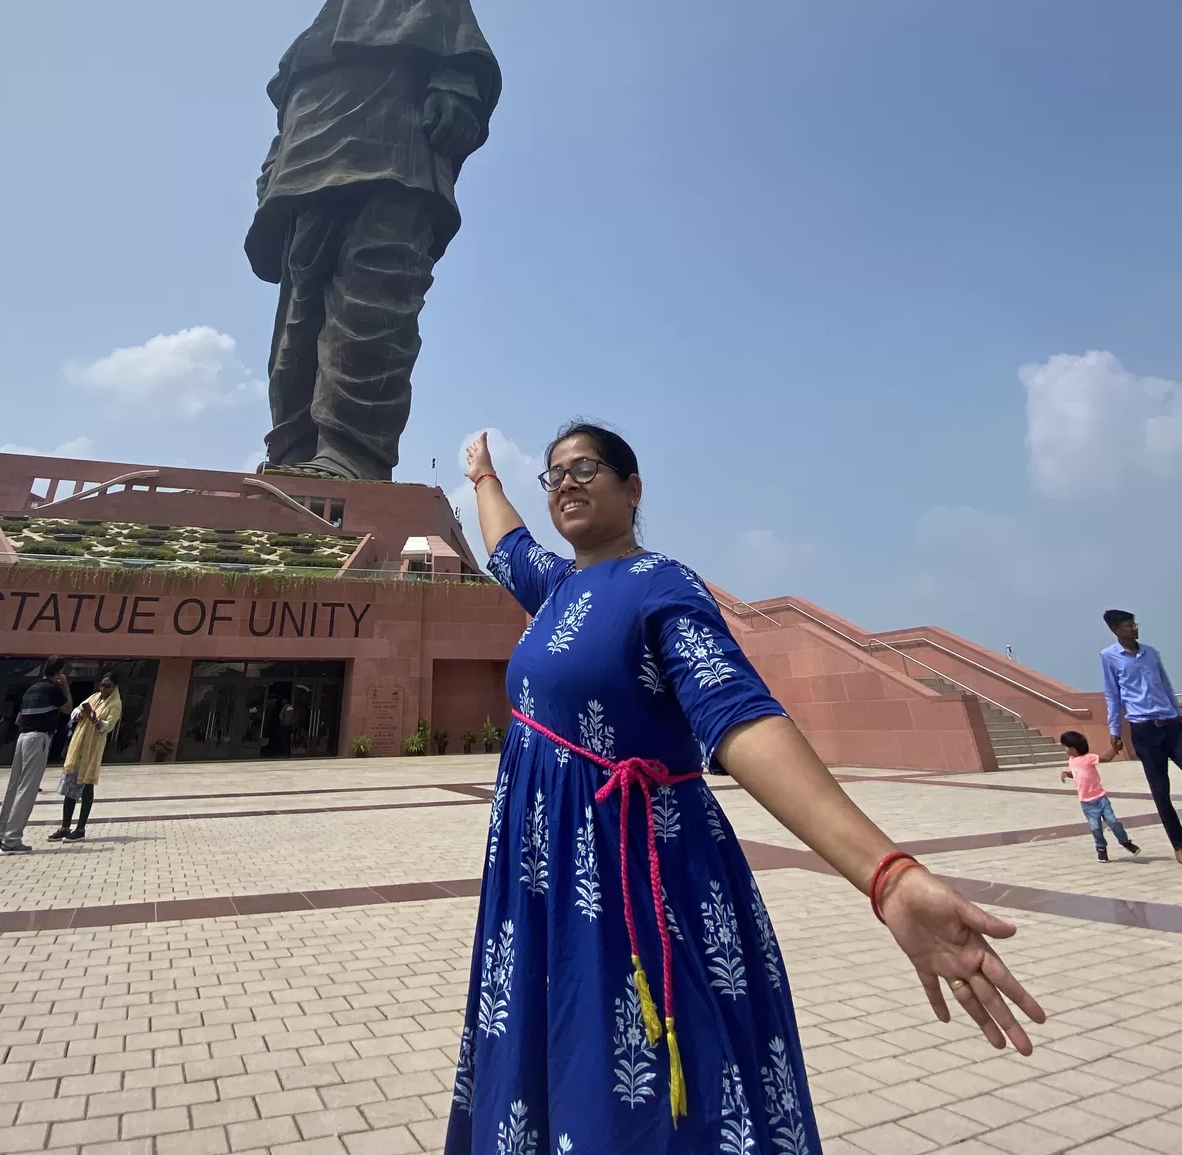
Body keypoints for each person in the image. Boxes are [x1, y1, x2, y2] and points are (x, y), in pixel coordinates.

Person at [448, 425, 1045, 1154]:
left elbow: (737, 714)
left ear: (632, 489)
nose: (567, 483)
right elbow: (504, 544)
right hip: (544, 883)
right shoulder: (559, 585)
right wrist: (483, 475)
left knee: (652, 1098)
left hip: (636, 884)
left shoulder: (660, 583)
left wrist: (884, 874)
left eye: (585, 468)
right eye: (554, 476)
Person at [245, 0, 501, 480]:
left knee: (374, 297)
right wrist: (273, 164)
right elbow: (290, 99)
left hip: (391, 149)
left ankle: (350, 454)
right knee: (298, 317)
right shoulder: (329, 5)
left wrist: (456, 86)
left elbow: (458, 46)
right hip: (309, 161)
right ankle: (294, 451)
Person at [1101, 608, 1182, 865]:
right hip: (1144, 731)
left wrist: (1178, 713)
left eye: (1134, 624)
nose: (1134, 628)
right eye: (1127, 625)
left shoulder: (1151, 652)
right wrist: (1114, 731)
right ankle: (1179, 844)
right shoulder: (1109, 657)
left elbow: (1166, 684)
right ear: (1116, 630)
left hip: (1172, 725)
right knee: (1161, 791)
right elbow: (1112, 696)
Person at [0, 657, 70, 854]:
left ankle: (0, 836)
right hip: (39, 737)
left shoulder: (32, 689)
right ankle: (12, 840)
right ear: (59, 672)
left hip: (23, 737)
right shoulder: (52, 689)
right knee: (27, 788)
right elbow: (67, 708)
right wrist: (65, 687)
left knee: (13, 786)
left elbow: (19, 720)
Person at [50, 672, 122, 841]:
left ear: (114, 687)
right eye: (102, 685)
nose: (103, 688)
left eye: (108, 686)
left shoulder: (116, 704)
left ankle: (80, 828)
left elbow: (108, 726)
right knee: (70, 785)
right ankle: (65, 826)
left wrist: (94, 719)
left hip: (93, 747)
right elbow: (76, 710)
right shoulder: (95, 697)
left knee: (86, 784)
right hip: (79, 743)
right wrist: (80, 714)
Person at [1058, 731, 1140, 862]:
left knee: (1113, 822)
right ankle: (1101, 849)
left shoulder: (1089, 758)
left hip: (1100, 798)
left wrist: (1114, 749)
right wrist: (1067, 774)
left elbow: (1106, 758)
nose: (1065, 749)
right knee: (1095, 828)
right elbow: (1078, 773)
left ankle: (1125, 842)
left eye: (1066, 746)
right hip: (1086, 803)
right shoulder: (1072, 761)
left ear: (1074, 748)